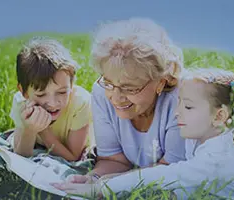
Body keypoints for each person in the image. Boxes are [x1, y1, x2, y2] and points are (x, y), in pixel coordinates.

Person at [80, 68, 234, 199]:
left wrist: (102, 188)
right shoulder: (209, 130)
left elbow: (165, 175)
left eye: (188, 107)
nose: (176, 113)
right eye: (179, 103)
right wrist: (107, 178)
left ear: (218, 116)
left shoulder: (216, 159)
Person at [58, 17, 187, 183]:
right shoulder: (101, 92)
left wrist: (108, 185)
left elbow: (171, 172)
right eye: (109, 82)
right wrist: (94, 178)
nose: (116, 98)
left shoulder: (182, 101)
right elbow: (114, 160)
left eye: (130, 88)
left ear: (160, 83)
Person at [7, 37, 92, 162]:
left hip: (72, 151)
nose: (52, 103)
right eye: (41, 94)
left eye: (62, 92)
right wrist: (29, 130)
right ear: (24, 92)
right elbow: (20, 158)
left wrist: (43, 131)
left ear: (71, 85)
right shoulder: (22, 103)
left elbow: (74, 157)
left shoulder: (80, 103)